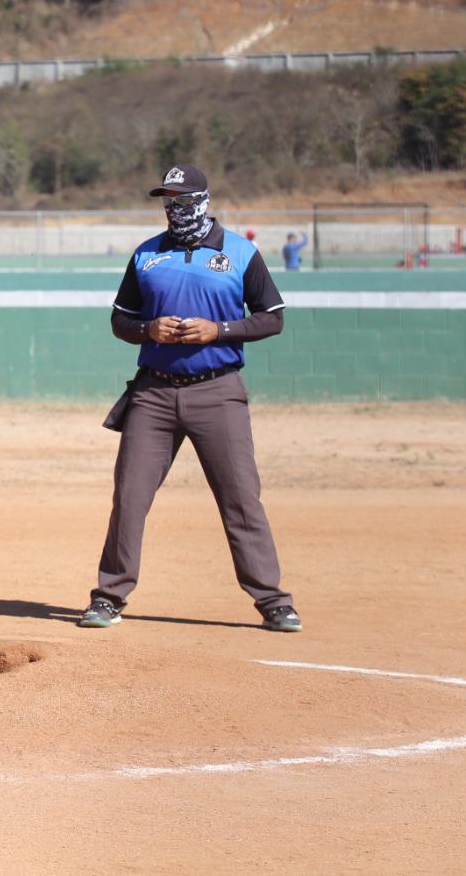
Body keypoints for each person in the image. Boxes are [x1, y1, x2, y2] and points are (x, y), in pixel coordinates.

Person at [80, 163, 301, 633]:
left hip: (218, 391)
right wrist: (147, 328)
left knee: (241, 499)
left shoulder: (240, 253)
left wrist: (219, 330)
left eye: (182, 199)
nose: (174, 208)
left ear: (203, 199)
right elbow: (121, 321)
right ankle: (109, 596)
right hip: (154, 393)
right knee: (130, 497)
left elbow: (272, 317)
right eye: (167, 199)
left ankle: (273, 601)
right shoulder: (146, 255)